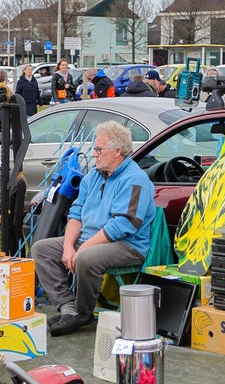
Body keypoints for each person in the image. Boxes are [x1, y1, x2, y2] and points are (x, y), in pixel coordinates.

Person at [33, 120, 155, 336]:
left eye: (99, 149)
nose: (94, 154)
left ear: (117, 151)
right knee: (41, 249)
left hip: (127, 245)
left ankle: (83, 312)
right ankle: (68, 307)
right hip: (91, 241)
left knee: (87, 257)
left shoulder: (135, 180)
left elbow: (122, 226)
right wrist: (69, 246)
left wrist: (82, 249)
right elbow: (76, 213)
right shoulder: (93, 176)